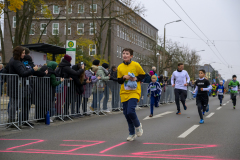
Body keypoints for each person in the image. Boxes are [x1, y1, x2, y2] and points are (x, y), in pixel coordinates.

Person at [117, 48, 145, 141]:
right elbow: (119, 80)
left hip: (134, 91)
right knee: (126, 113)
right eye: (123, 53)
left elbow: (143, 75)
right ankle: (131, 133)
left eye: (127, 54)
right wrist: (124, 77)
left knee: (130, 111)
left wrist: (135, 78)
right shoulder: (120, 66)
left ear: (131, 56)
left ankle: (138, 126)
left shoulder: (136, 65)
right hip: (124, 92)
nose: (125, 55)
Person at [8, 46, 38, 125]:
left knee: (14, 104)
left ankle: (12, 121)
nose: (24, 55)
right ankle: (12, 122)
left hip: (16, 85)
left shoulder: (15, 61)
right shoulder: (16, 62)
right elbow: (22, 73)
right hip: (16, 86)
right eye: (23, 53)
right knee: (14, 104)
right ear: (19, 53)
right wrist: (32, 70)